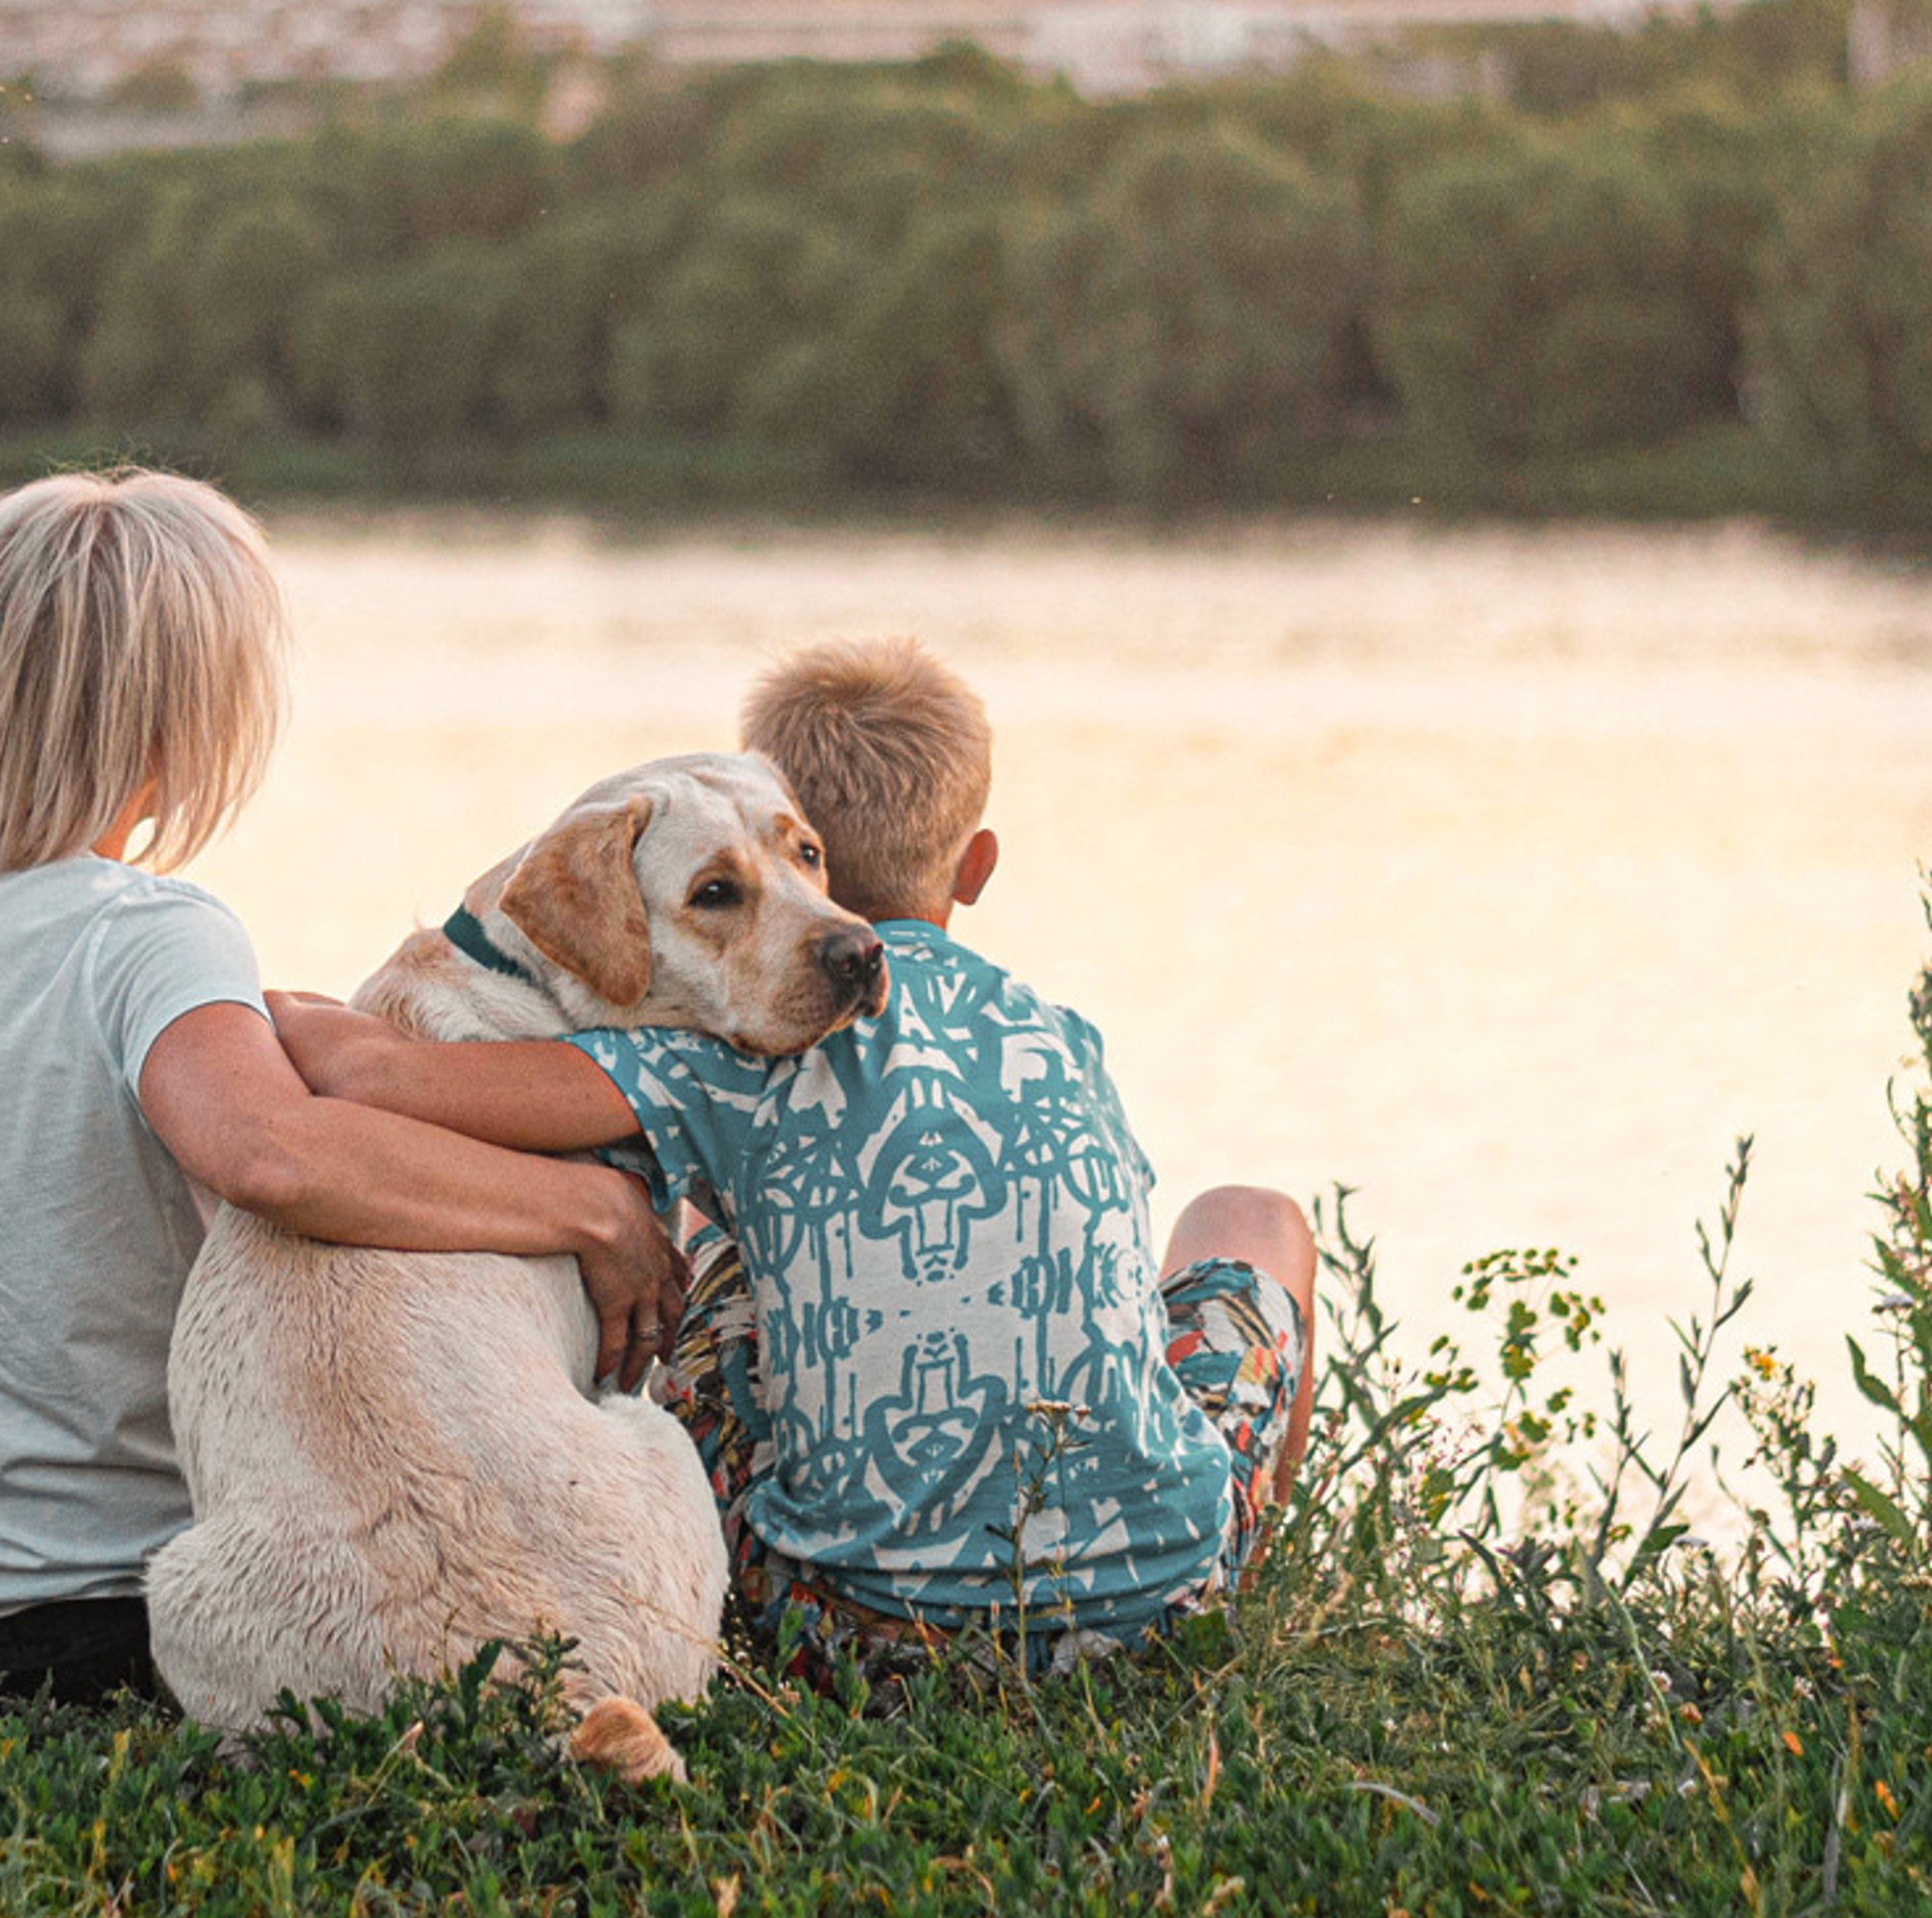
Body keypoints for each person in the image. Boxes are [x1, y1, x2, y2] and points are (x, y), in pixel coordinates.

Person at [0, 469, 684, 1704]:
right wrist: (590, 1212)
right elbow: (274, 1158)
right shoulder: (146, 932)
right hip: (71, 1627)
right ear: (183, 725)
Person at [279, 637, 1317, 1679]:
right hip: (1163, 1613)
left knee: (706, 1243)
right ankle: (1255, 1570)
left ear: (811, 843)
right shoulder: (1062, 1035)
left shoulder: (700, 1062)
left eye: (803, 862)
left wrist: (252, 1005)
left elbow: (381, 1080)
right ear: (976, 864)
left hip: (849, 1640)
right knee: (1250, 1216)